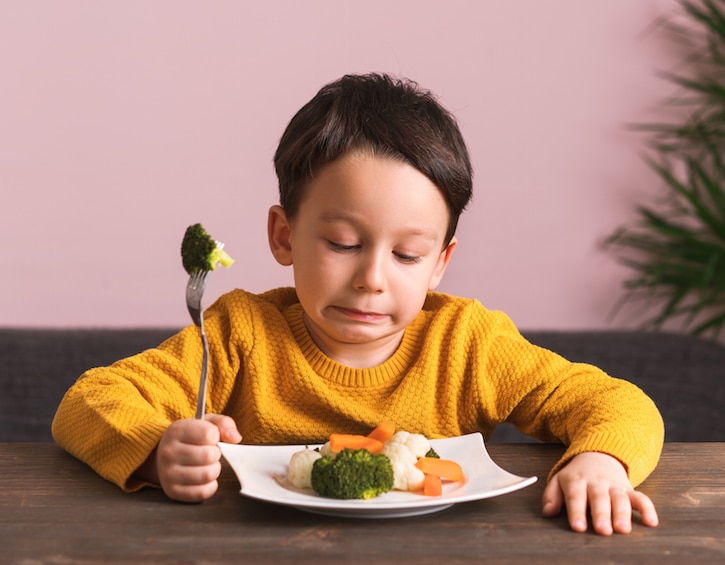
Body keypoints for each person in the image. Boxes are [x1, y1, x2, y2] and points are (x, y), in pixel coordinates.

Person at [52, 73, 663, 536]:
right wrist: (158, 451)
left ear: (440, 263)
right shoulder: (241, 332)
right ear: (284, 237)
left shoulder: (468, 344)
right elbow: (89, 401)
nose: (372, 278)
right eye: (344, 243)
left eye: (407, 255)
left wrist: (601, 461)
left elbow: (614, 401)